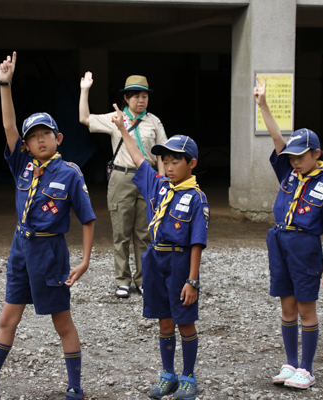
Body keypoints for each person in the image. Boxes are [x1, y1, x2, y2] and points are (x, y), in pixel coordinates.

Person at [0, 52, 95, 400]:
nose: (40, 140)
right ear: (28, 144)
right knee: (7, 318)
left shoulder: (70, 173)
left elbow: (88, 219)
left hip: (50, 252)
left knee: (62, 323)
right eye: (34, 137)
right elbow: (8, 126)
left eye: (47, 134)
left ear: (59, 138)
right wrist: (5, 84)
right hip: (21, 248)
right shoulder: (23, 167)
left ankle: (75, 386)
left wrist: (85, 260)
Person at [110, 104, 208, 400]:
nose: (167, 166)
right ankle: (168, 375)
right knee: (164, 320)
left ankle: (189, 376)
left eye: (175, 161)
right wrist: (123, 130)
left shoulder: (195, 198)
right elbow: (140, 160)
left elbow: (196, 243)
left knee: (184, 320)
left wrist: (192, 281)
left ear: (191, 163)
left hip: (180, 262)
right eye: (164, 160)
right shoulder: (160, 187)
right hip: (155, 258)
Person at [254, 76, 323, 389]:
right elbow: (278, 140)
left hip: (305, 246)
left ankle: (306, 368)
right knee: (287, 305)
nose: (294, 160)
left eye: (300, 156)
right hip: (279, 241)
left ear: (316, 154)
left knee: (306, 307)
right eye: (292, 156)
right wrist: (263, 104)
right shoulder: (289, 174)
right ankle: (291, 364)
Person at [79, 72, 167, 298]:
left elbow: (161, 155)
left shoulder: (154, 121)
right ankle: (122, 280)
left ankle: (144, 279)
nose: (141, 100)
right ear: (126, 99)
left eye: (144, 96)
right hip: (121, 177)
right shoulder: (116, 117)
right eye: (135, 96)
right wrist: (85, 89)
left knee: (145, 233)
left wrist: (163, 183)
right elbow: (85, 118)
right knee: (121, 233)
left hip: (147, 179)